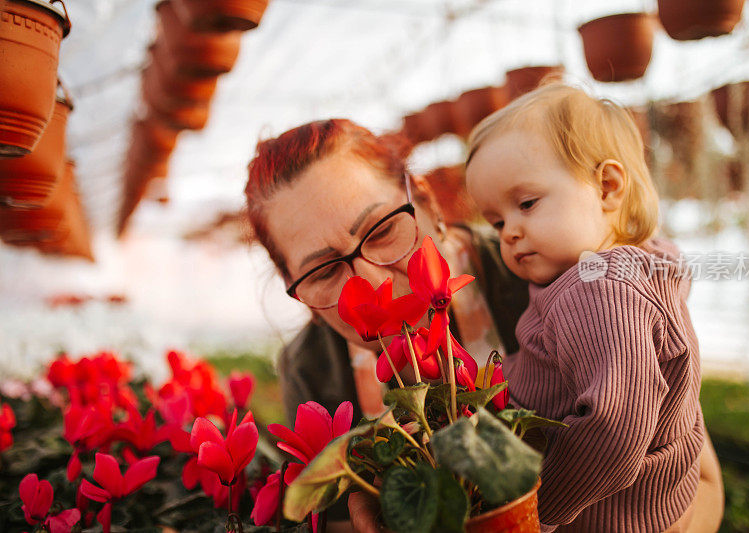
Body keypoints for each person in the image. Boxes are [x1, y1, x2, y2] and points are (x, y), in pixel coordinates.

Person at [244, 116, 723, 532]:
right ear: (300, 296)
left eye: (384, 230)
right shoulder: (311, 367)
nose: (371, 283)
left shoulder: (553, 276)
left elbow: (702, 482)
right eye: (324, 271)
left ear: (429, 207)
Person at [464, 82, 724, 532]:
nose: (508, 232)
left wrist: (537, 512)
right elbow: (553, 366)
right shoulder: (606, 275)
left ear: (607, 187)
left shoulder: (599, 288)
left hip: (608, 516)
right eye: (497, 221)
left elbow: (614, 427)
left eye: (526, 203)